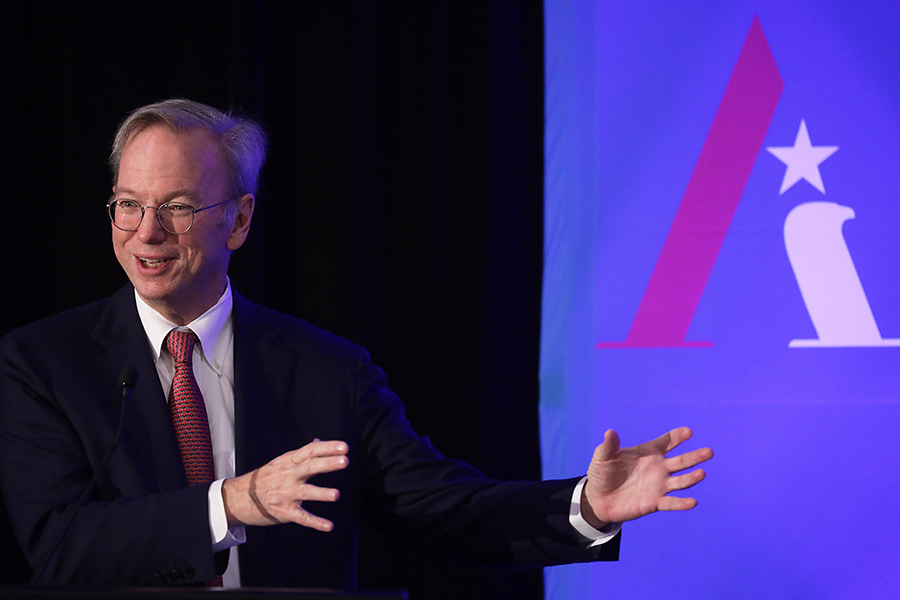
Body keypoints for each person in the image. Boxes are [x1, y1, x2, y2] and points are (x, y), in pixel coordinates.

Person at [0, 99, 713, 588]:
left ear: (239, 219)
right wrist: (232, 502)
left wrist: (585, 506)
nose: (145, 232)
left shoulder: (326, 371)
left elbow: (441, 507)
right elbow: (60, 546)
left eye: (178, 207)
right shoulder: (43, 364)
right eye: (129, 204)